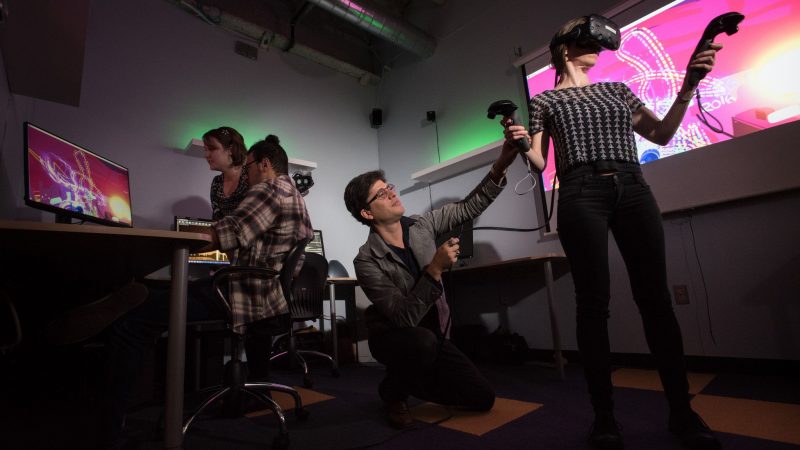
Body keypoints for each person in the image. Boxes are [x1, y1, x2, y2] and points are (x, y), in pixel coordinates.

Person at [503, 15, 723, 450]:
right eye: (589, 42)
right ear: (564, 48)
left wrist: (689, 86)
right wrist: (518, 140)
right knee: (592, 305)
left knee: (656, 301)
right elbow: (540, 163)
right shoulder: (546, 100)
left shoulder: (617, 90)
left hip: (633, 186)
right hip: (580, 192)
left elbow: (661, 134)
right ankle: (604, 419)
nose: (599, 50)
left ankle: (682, 412)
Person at [101, 135, 313, 446]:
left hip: (245, 296)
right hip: (268, 298)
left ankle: (108, 426)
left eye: (250, 167)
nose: (247, 173)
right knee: (159, 299)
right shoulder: (296, 196)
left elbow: (230, 231)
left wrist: (179, 235)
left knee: (133, 320)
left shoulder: (268, 189)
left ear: (264, 164)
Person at [342, 141, 517, 429]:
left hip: (434, 334)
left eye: (390, 188)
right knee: (421, 342)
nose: (392, 194)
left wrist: (500, 166)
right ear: (367, 213)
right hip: (395, 336)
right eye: (381, 194)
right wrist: (434, 269)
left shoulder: (423, 225)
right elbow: (402, 317)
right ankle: (393, 393)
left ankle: (410, 380)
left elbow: (469, 207)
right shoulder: (365, 260)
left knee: (482, 397)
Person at [203, 126, 250, 220]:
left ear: (230, 150)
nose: (206, 155)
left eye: (212, 149)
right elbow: (217, 220)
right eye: (205, 149)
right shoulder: (217, 182)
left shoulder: (250, 176)